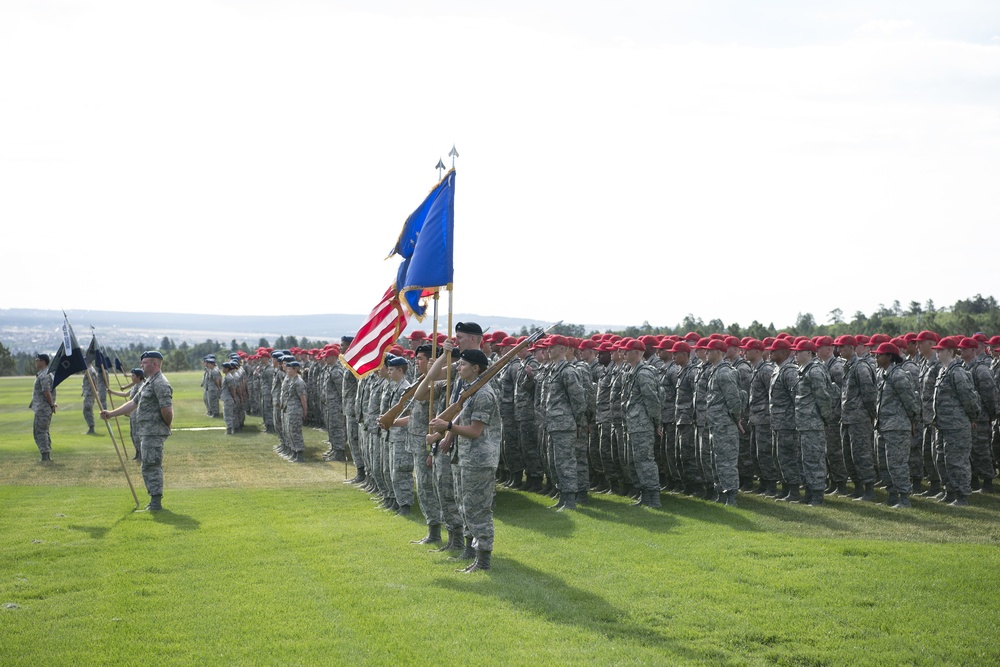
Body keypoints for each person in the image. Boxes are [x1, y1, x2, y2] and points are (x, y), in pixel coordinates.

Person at [429, 348, 500, 573]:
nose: (458, 368)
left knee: (478, 509)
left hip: (479, 460)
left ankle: (484, 559)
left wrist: (448, 426)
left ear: (476, 368)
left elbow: (476, 431)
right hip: (465, 458)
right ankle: (471, 551)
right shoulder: (470, 391)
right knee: (465, 505)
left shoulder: (483, 394)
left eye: (462, 364)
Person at [100, 351, 173, 511]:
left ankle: (155, 503)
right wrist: (111, 414)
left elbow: (167, 411)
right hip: (146, 431)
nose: (141, 365)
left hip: (154, 432)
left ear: (155, 363)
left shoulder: (160, 383)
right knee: (147, 464)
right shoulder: (149, 382)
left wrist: (165, 426)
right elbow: (133, 403)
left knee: (151, 465)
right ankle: (154, 501)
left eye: (145, 362)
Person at [931, 336, 980, 506]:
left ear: (951, 352)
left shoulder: (957, 372)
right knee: (942, 459)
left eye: (940, 350)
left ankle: (962, 495)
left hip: (956, 425)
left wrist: (973, 417)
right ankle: (950, 491)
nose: (937, 352)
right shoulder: (943, 370)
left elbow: (968, 398)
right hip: (943, 424)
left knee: (957, 461)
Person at [872, 342, 921, 508]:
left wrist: (913, 420)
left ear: (889, 357)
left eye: (879, 354)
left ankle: (904, 498)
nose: (876, 357)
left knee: (897, 463)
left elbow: (910, 401)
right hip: (884, 425)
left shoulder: (899, 375)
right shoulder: (883, 374)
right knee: (884, 464)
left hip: (897, 427)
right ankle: (892, 495)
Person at [108, 368, 145, 460]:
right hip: (132, 414)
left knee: (137, 434)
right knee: (133, 434)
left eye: (133, 375)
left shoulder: (142, 387)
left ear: (139, 377)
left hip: (138, 414)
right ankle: (137, 452)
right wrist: (112, 392)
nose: (131, 377)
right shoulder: (134, 387)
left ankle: (141, 454)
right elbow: (125, 394)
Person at [31, 353, 56, 462]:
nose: (35, 362)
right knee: (43, 431)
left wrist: (51, 404)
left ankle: (45, 456)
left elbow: (46, 392)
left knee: (40, 431)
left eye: (37, 360)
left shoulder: (44, 375)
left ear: (43, 362)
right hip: (43, 407)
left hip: (43, 408)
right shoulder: (46, 373)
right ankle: (46, 455)